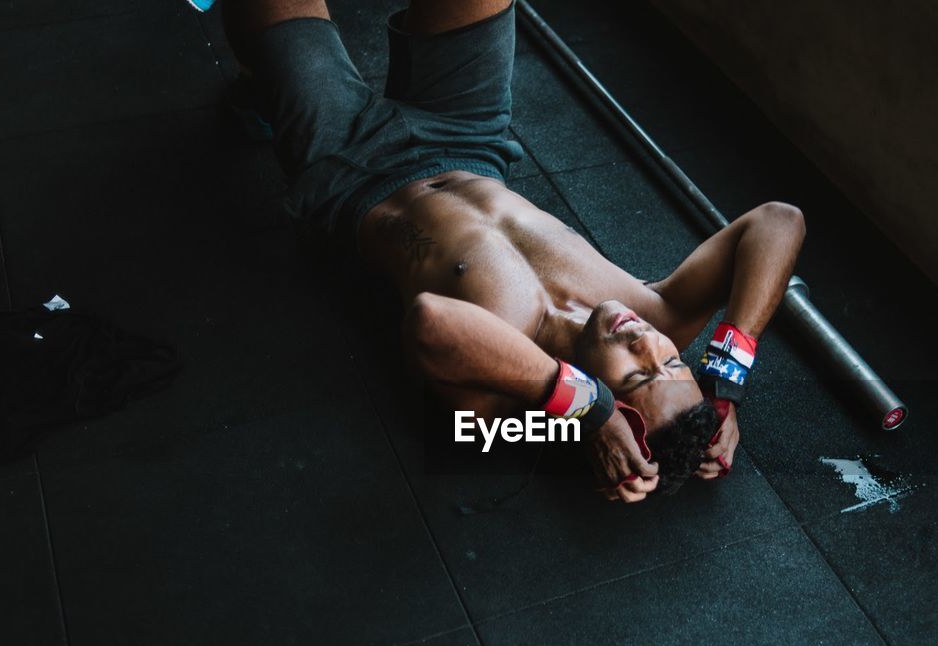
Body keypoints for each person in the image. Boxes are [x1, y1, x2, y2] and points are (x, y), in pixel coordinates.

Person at [211, 0, 805, 501]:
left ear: (601, 412)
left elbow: (432, 323)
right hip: (467, 134)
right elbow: (778, 222)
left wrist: (580, 413)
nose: (646, 342)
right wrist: (725, 379)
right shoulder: (656, 317)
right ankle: (265, 71)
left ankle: (259, 81)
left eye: (634, 378)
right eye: (673, 361)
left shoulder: (499, 397)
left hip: (346, 168)